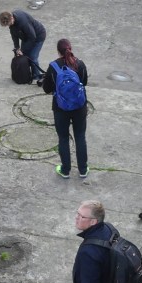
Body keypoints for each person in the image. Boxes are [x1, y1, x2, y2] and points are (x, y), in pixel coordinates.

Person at [41, 38, 89, 179]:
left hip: (60, 108)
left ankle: (65, 170)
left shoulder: (53, 67)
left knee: (63, 138)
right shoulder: (80, 64)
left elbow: (46, 89)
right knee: (80, 136)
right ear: (70, 48)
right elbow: (84, 82)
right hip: (79, 106)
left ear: (58, 51)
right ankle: (83, 170)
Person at [0, 10, 47, 84]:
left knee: (33, 57)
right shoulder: (11, 22)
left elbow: (32, 37)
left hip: (38, 36)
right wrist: (17, 48)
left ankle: (36, 76)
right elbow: (14, 35)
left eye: (9, 24)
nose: (9, 25)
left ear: (12, 18)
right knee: (24, 55)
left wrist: (22, 50)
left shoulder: (23, 22)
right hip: (26, 37)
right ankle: (26, 74)